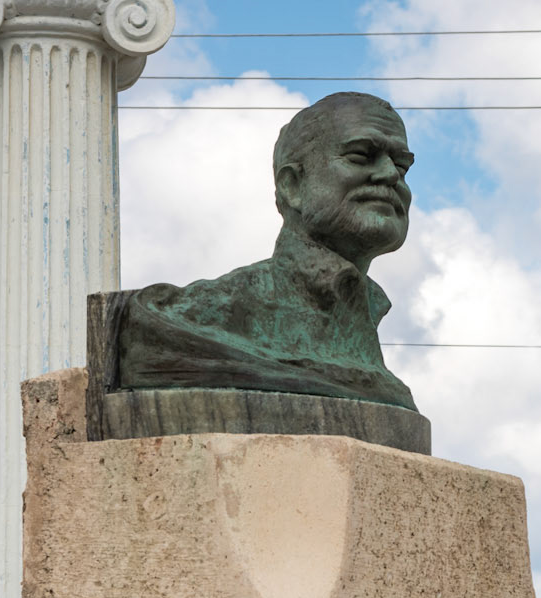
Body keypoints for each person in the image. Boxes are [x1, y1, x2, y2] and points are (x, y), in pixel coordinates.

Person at [119, 93, 421, 411]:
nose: (390, 175)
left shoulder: (365, 314)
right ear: (292, 186)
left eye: (401, 167)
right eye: (361, 156)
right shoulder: (200, 315)